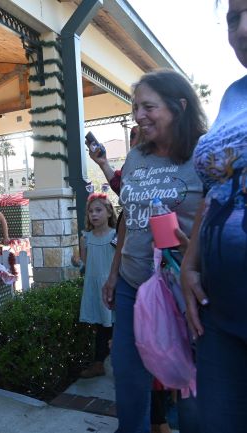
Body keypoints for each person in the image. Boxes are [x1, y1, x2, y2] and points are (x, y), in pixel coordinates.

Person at [101, 69, 206, 433]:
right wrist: (115, 272)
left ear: (179, 107)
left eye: (148, 107)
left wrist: (196, 255)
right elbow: (129, 217)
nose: (138, 115)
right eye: (135, 107)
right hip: (135, 286)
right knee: (129, 378)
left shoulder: (204, 155)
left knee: (190, 382)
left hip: (186, 289)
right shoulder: (135, 158)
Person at [181, 2, 247, 431]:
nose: (242, 29)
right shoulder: (232, 97)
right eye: (232, 17)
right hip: (220, 318)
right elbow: (216, 191)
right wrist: (190, 263)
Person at [74, 193, 116, 378]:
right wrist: (77, 262)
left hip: (111, 286)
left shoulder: (116, 236)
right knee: (100, 327)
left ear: (108, 212)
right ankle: (98, 364)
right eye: (91, 211)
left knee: (116, 325)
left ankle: (121, 362)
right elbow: (85, 263)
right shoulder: (86, 238)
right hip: (94, 287)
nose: (94, 214)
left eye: (98, 210)